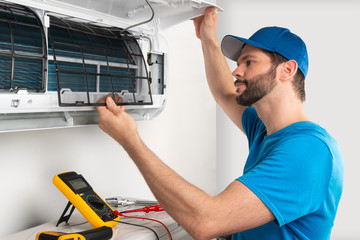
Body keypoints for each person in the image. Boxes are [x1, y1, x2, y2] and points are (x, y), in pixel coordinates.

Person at [97, 7, 344, 240]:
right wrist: (207, 37)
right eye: (238, 64)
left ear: (287, 70)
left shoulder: (308, 152)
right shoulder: (265, 128)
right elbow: (226, 93)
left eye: (249, 62)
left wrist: (130, 140)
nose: (236, 71)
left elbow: (206, 221)